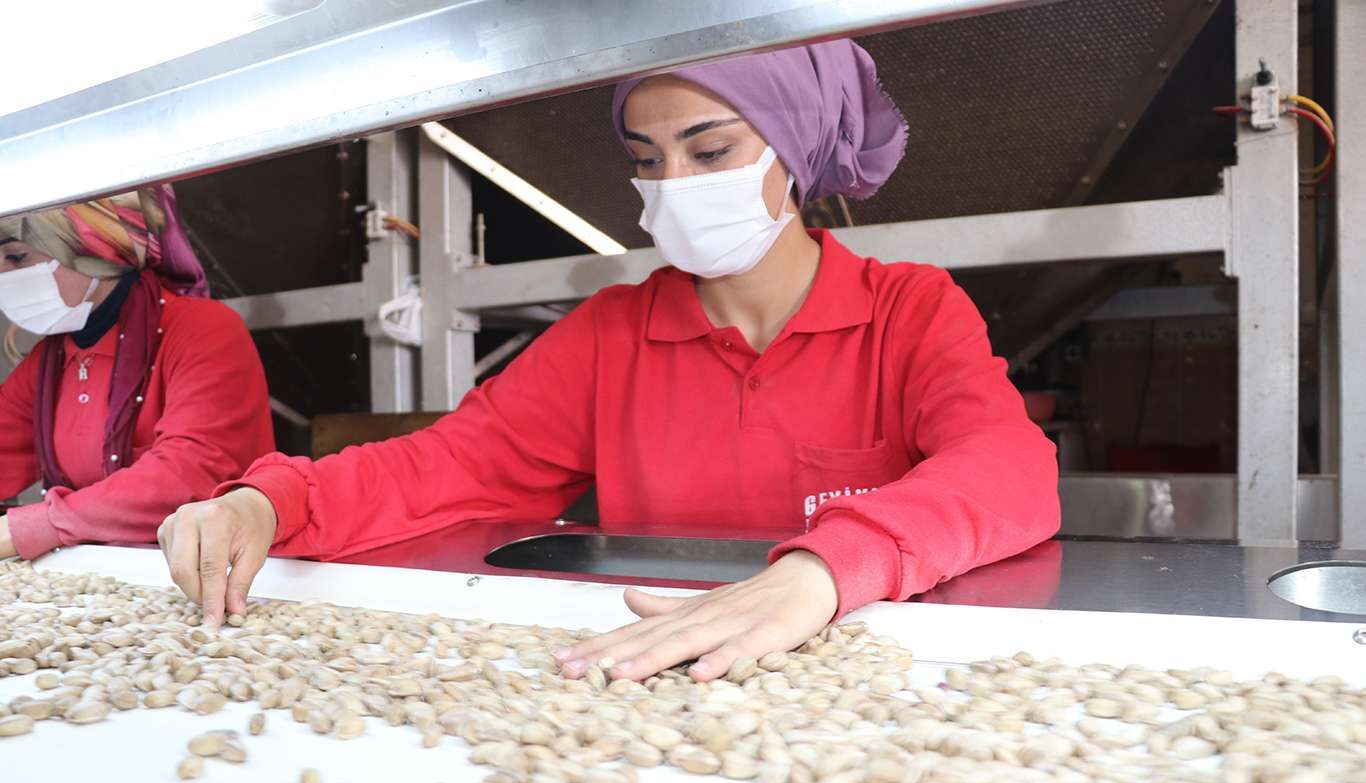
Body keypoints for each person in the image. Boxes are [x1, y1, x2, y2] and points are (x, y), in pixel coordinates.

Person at [157, 40, 1059, 681]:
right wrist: (268, 501)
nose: (672, 187)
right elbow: (449, 466)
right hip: (650, 668)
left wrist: (821, 573)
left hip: (864, 666)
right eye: (646, 159)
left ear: (797, 149)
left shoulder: (905, 310)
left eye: (710, 151)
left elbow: (1010, 470)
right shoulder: (611, 336)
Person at [0, 186, 274, 560]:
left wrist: (30, 527)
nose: (3, 274)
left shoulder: (203, 330)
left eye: (17, 257)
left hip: (212, 571)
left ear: (93, 248)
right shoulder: (49, 362)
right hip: (105, 573)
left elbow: (188, 476)